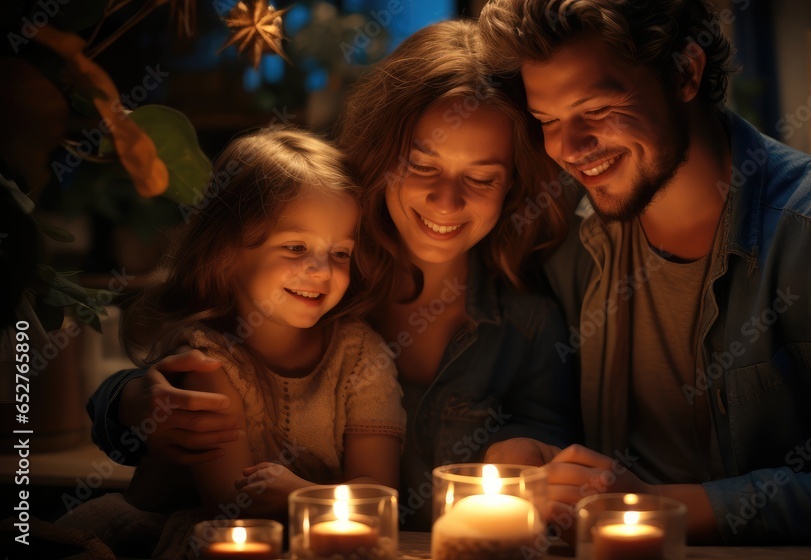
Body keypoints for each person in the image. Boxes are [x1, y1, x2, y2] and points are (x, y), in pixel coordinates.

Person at [477, 0, 811, 550]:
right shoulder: (563, 234)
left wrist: (670, 508)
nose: (567, 149)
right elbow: (547, 413)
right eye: (547, 121)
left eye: (595, 109)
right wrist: (523, 450)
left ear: (686, 72)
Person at [85, 20, 580, 532]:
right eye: (421, 165)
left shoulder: (530, 326)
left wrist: (533, 456)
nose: (447, 200)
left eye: (481, 178)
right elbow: (196, 355)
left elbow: (556, 453)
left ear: (512, 185)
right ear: (384, 155)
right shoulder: (317, 287)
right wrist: (126, 404)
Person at [65, 126, 405, 557]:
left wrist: (296, 494)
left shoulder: (361, 355)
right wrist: (323, 501)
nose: (322, 270)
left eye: (340, 253)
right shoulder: (208, 361)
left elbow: (379, 496)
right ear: (226, 254)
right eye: (296, 247)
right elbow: (232, 507)